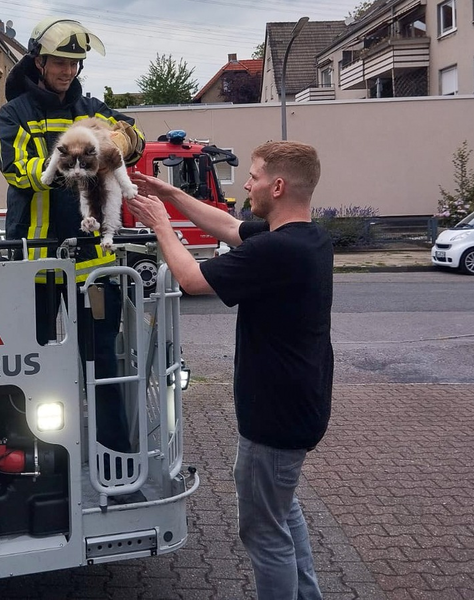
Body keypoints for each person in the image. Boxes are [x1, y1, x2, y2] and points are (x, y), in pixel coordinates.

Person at [127, 141, 333, 599]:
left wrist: (161, 226)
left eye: (255, 176)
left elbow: (193, 280)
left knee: (263, 532)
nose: (247, 183)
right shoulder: (306, 238)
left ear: (277, 186)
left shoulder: (279, 252)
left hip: (274, 420)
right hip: (298, 409)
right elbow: (229, 226)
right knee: (282, 512)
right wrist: (170, 193)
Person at [0, 18, 145, 458]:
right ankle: (28, 461)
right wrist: (84, 153)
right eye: (60, 62)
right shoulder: (14, 113)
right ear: (39, 61)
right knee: (30, 365)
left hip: (93, 261)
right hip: (35, 259)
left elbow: (133, 138)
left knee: (102, 364)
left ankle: (113, 459)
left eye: (75, 63)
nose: (68, 71)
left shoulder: (92, 108)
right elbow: (18, 171)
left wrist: (119, 136)